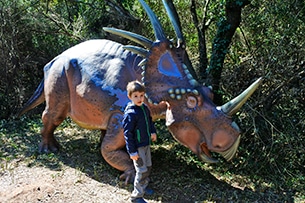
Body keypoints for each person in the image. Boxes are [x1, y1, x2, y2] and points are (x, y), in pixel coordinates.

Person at [123, 80, 157, 203]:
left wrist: (152, 131)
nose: (139, 98)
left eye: (141, 95)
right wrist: (132, 151)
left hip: (146, 143)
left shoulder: (144, 108)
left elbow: (149, 121)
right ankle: (136, 196)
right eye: (135, 96)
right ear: (130, 97)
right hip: (137, 147)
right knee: (141, 170)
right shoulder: (131, 113)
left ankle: (143, 187)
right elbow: (127, 133)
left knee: (148, 167)